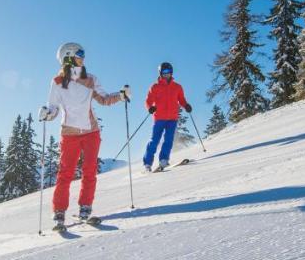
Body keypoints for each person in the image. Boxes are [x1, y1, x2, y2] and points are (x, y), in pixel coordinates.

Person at [39, 42, 128, 230]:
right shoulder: (57, 82)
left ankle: (85, 208)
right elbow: (54, 108)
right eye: (79, 54)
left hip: (91, 132)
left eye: (83, 54)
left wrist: (120, 96)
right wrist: (48, 113)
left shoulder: (91, 79)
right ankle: (59, 212)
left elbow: (103, 99)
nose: (83, 57)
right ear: (68, 57)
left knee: (89, 171)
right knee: (65, 173)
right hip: (69, 133)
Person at [142, 62, 191, 172]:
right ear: (160, 73)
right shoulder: (155, 87)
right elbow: (148, 101)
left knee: (168, 140)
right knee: (154, 141)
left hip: (172, 118)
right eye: (164, 72)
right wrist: (150, 107)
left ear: (171, 73)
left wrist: (186, 105)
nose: (166, 74)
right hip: (159, 118)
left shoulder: (177, 87)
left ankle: (163, 160)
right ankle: (147, 164)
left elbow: (181, 100)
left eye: (168, 72)